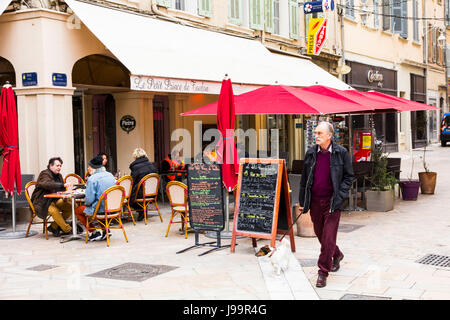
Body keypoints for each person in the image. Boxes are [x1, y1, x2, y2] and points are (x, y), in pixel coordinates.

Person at [298, 121, 354, 288]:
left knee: (328, 236)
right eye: (315, 133)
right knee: (320, 234)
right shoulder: (310, 154)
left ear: (330, 135)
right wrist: (304, 202)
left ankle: (323, 272)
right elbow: (304, 180)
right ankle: (336, 254)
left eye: (320, 133)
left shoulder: (341, 153)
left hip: (332, 202)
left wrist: (340, 195)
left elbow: (349, 177)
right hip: (315, 201)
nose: (316, 136)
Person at [74, 155, 116, 241]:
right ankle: (105, 231)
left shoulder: (92, 179)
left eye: (89, 166)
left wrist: (85, 202)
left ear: (93, 167)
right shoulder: (110, 175)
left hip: (100, 208)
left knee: (78, 210)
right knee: (99, 204)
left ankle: (93, 232)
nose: (88, 169)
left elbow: (89, 200)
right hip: (112, 207)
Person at [31, 157, 75, 237]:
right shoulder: (44, 174)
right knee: (54, 211)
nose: (59, 168)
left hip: (55, 200)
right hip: (42, 202)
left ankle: (53, 227)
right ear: (51, 166)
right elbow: (47, 184)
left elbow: (62, 189)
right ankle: (67, 229)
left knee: (71, 206)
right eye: (57, 166)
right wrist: (63, 184)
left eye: (60, 166)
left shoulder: (59, 175)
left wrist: (65, 195)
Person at [129, 148, 157, 221]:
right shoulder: (151, 165)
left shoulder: (135, 167)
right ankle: (143, 209)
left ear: (135, 156)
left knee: (127, 197)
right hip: (152, 192)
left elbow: (132, 181)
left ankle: (141, 210)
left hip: (141, 193)